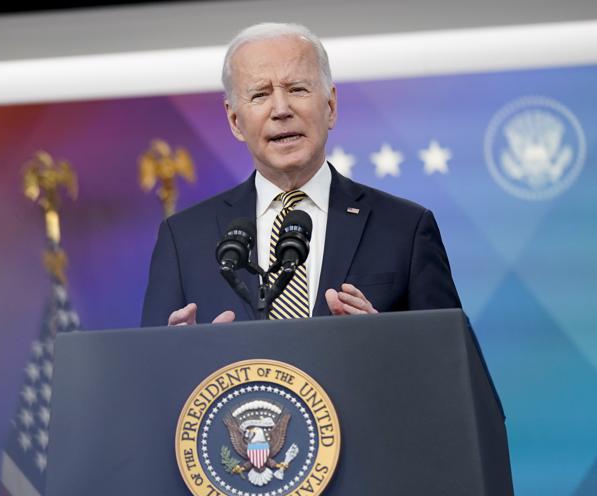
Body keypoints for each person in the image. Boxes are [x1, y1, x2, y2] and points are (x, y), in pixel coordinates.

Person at [141, 23, 461, 326]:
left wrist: (383, 344)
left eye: (297, 89)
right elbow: (148, 373)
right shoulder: (182, 239)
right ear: (235, 121)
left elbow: (452, 363)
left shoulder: (405, 229)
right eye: (260, 95)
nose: (281, 109)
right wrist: (180, 355)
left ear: (331, 106)